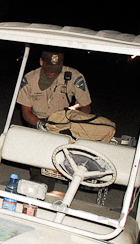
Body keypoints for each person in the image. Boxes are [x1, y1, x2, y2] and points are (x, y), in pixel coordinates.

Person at [17, 49, 92, 189]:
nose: (53, 72)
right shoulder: (30, 79)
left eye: (57, 69)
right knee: (42, 164)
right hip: (38, 121)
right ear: (41, 62)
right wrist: (45, 126)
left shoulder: (74, 77)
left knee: (76, 166)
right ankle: (40, 187)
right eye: (49, 68)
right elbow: (26, 112)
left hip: (65, 122)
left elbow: (86, 107)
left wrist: (76, 125)